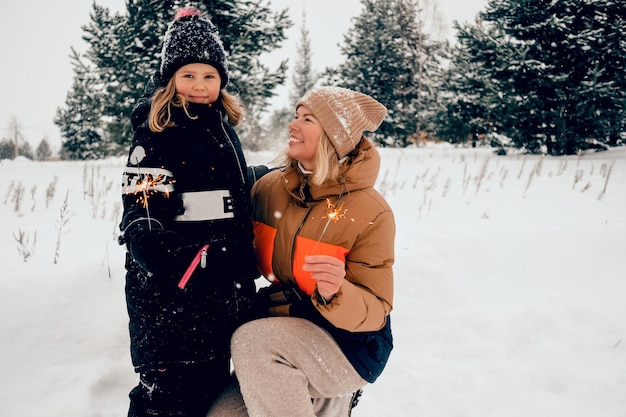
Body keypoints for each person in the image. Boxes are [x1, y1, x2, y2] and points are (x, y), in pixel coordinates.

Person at [208, 86, 395, 416]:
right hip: (284, 328)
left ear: (333, 137)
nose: (293, 125)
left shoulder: (370, 212)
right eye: (295, 116)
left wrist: (338, 290)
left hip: (348, 345)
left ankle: (335, 395)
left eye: (307, 119)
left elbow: (376, 308)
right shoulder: (269, 190)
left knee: (253, 342)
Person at [118, 7, 267, 417]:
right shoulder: (156, 137)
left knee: (210, 399)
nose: (200, 86)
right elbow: (143, 224)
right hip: (173, 317)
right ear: (169, 80)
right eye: (188, 75)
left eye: (209, 76)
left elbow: (225, 190)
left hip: (218, 308)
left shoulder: (220, 130)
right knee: (169, 405)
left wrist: (271, 177)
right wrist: (208, 260)